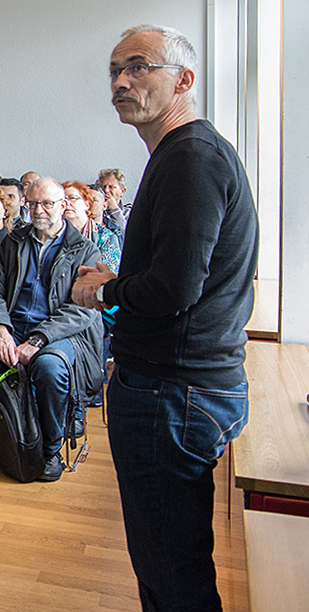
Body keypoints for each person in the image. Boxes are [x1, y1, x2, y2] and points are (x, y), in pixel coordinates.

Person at [72, 25, 258, 611]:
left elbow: (175, 288)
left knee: (173, 575)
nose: (121, 82)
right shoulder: (181, 155)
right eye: (113, 71)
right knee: (166, 564)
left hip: (172, 393)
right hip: (176, 388)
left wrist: (106, 291)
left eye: (138, 67)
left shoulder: (190, 159)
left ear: (184, 79)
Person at [0, 178, 104, 482]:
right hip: (12, 326)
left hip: (57, 334)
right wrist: (0, 328)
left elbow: (82, 309)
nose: (39, 210)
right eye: (33, 203)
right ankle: (5, 433)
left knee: (49, 369)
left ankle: (50, 449)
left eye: (47, 204)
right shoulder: (14, 240)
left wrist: (39, 339)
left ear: (62, 206)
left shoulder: (85, 250)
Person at [63, 181, 121, 273]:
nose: (67, 204)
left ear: (87, 204)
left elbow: (106, 276)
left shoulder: (105, 237)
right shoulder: (53, 233)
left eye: (72, 198)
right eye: (62, 200)